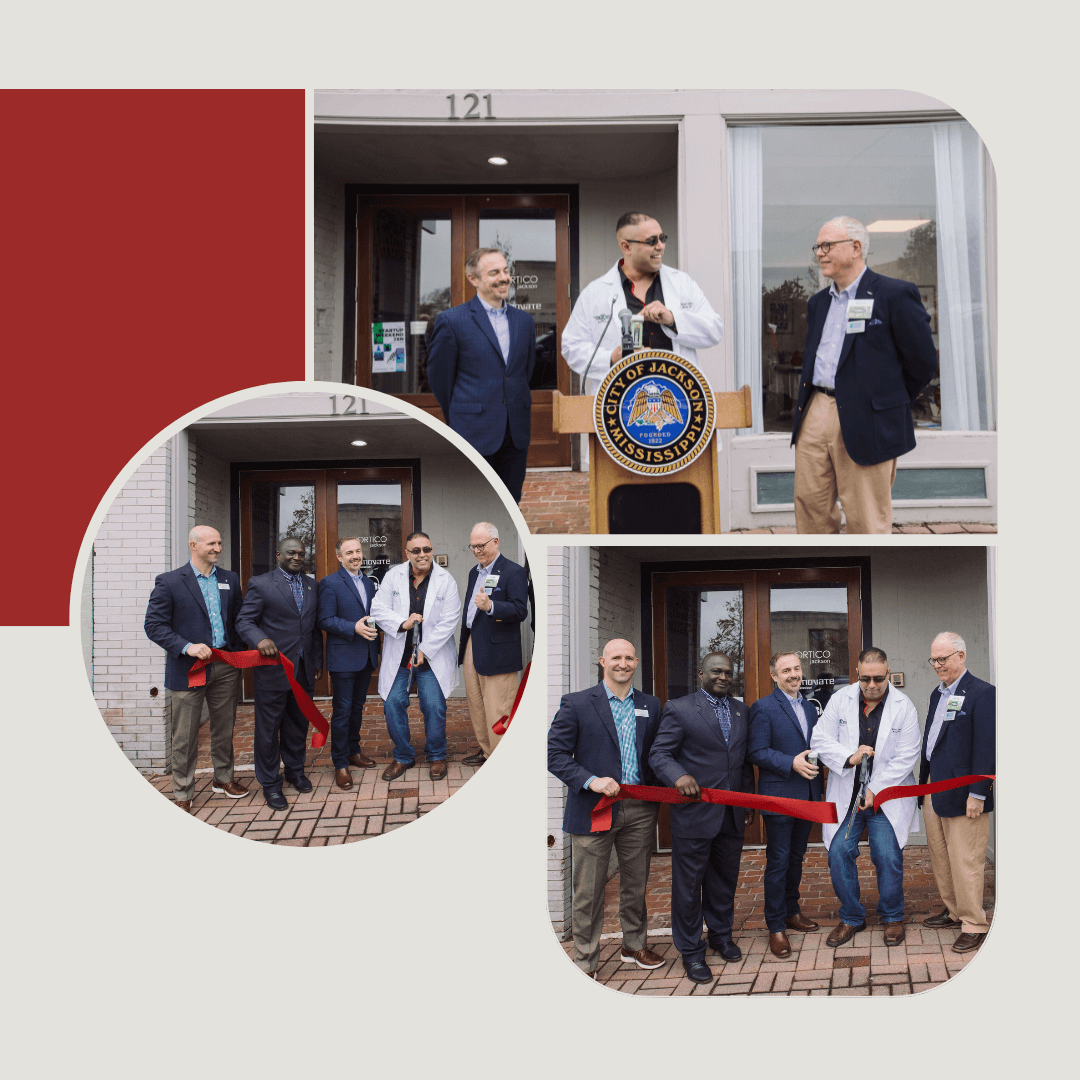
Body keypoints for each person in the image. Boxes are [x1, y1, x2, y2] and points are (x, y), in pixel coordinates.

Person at [790, 216, 938, 534]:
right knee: (810, 510)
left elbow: (923, 362)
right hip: (816, 408)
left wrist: (886, 401)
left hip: (868, 414)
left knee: (866, 516)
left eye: (827, 245)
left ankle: (864, 575)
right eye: (818, 246)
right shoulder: (817, 303)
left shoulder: (893, 294)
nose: (820, 252)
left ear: (856, 247)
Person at [548, 638, 665, 979]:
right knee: (588, 891)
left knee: (635, 883)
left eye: (629, 658)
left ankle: (634, 943)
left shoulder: (650, 705)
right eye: (616, 657)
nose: (623, 664)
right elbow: (555, 756)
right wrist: (591, 780)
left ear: (636, 662)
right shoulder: (577, 703)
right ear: (603, 661)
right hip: (593, 809)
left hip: (639, 810)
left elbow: (657, 755)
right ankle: (585, 961)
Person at [649, 652, 755, 983]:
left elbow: (741, 761)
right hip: (694, 814)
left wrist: (747, 802)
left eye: (728, 672)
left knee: (723, 880)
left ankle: (721, 936)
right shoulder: (680, 709)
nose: (723, 676)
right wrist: (677, 776)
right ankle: (691, 951)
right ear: (701, 673)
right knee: (688, 885)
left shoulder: (741, 710)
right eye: (716, 671)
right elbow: (659, 753)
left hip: (731, 813)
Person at [810, 647, 921, 947]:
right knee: (839, 853)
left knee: (887, 856)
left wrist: (876, 789)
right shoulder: (840, 700)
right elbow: (819, 739)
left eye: (879, 678)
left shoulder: (903, 706)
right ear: (858, 673)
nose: (872, 685)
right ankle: (851, 917)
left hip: (886, 797)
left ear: (888, 673)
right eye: (866, 678)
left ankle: (892, 916)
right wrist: (850, 757)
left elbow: (907, 756)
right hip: (847, 794)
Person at [143, 525, 249, 813]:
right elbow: (153, 626)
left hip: (224, 666)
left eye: (219, 543)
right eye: (211, 544)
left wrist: (249, 650)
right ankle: (183, 791)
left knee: (224, 727)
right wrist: (186, 646)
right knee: (185, 735)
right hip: (189, 669)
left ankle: (223, 779)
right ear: (193, 545)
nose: (217, 548)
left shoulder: (229, 579)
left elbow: (238, 621)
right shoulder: (170, 582)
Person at [560, 211, 724, 392]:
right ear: (626, 247)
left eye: (662, 238)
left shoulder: (682, 283)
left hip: (677, 396)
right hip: (621, 401)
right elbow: (571, 348)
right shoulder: (594, 293)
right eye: (651, 241)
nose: (660, 246)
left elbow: (715, 330)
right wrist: (610, 358)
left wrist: (673, 320)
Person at [427, 248, 537, 503]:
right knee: (476, 503)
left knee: (511, 502)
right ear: (473, 279)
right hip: (472, 431)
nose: (504, 277)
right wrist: (459, 414)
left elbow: (524, 372)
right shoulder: (452, 320)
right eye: (494, 272)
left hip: (516, 432)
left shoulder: (524, 321)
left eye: (506, 271)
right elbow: (439, 379)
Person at [919, 632, 996, 954]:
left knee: (966, 861)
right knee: (941, 857)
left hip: (966, 794)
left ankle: (974, 923)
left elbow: (987, 747)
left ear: (961, 656)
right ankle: (954, 911)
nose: (938, 665)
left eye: (943, 659)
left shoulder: (983, 693)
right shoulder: (939, 695)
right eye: (933, 660)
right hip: (934, 790)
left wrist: (978, 793)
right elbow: (933, 743)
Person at [236, 536, 323, 811]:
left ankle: (295, 771)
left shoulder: (312, 585)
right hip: (273, 670)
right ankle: (270, 784)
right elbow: (244, 620)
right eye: (291, 553)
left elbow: (311, 628)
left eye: (301, 553)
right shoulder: (261, 584)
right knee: (268, 729)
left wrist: (317, 660)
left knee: (297, 724)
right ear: (278, 554)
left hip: (304, 669)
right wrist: (259, 639)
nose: (297, 557)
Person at [747, 651, 824, 957]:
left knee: (796, 857)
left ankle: (792, 912)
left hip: (807, 795)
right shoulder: (764, 708)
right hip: (779, 796)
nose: (793, 674)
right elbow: (755, 752)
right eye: (786, 670)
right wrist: (790, 762)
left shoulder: (809, 707)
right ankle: (776, 926)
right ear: (774, 676)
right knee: (778, 861)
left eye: (796, 668)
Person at [369, 531, 461, 781]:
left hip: (432, 657)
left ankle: (437, 755)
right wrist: (403, 624)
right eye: (417, 550)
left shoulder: (445, 579)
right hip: (400, 655)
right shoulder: (393, 576)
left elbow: (450, 620)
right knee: (393, 704)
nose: (423, 555)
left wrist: (424, 650)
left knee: (433, 706)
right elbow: (377, 608)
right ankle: (403, 756)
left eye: (427, 549)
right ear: (407, 553)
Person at [457, 522, 528, 766]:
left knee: (498, 707)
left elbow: (520, 611)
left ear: (496, 542)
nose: (477, 551)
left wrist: (492, 607)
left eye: (482, 545)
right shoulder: (473, 572)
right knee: (476, 704)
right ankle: (486, 749)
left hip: (499, 650)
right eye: (473, 546)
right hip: (473, 645)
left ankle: (501, 757)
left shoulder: (513, 571)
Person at [317, 536, 380, 790]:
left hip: (366, 655)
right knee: (342, 712)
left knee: (357, 707)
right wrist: (352, 627)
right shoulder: (330, 583)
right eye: (349, 552)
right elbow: (325, 620)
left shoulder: (369, 582)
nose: (355, 555)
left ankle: (354, 751)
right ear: (339, 557)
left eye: (358, 551)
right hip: (343, 657)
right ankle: (340, 763)